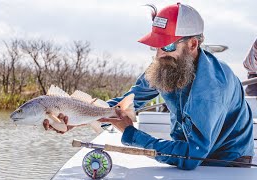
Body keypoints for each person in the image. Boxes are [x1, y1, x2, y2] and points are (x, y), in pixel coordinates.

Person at [43, 3, 254, 170]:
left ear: (192, 45)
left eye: (168, 45)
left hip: (226, 163)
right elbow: (119, 106)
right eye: (156, 45)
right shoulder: (164, 66)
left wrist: (131, 134)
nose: (160, 53)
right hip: (187, 156)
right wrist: (75, 120)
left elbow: (193, 156)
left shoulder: (211, 89)